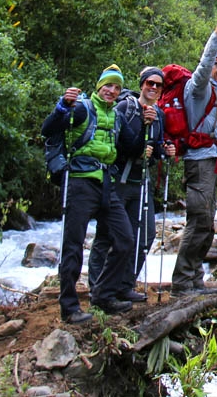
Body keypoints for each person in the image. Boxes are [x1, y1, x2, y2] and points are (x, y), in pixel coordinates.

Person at [41, 65, 134, 323]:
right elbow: (47, 129)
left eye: (117, 87)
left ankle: (102, 294)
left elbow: (133, 146)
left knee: (125, 239)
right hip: (80, 182)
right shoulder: (82, 109)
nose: (112, 91)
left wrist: (150, 126)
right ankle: (69, 308)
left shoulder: (117, 117)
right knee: (73, 245)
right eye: (108, 85)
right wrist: (62, 105)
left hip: (106, 182)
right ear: (99, 86)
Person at [89, 67, 176, 303]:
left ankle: (124, 284)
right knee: (107, 236)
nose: (154, 88)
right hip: (118, 180)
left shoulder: (159, 114)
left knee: (145, 236)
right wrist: (140, 147)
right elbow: (114, 141)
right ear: (142, 84)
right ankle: (97, 287)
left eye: (159, 85)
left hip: (141, 182)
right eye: (150, 83)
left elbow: (155, 147)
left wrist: (164, 150)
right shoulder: (126, 108)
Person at [172, 5, 217, 296]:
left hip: (210, 161)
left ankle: (195, 278)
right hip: (198, 162)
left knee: (208, 222)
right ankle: (182, 282)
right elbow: (205, 61)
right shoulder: (197, 88)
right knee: (198, 220)